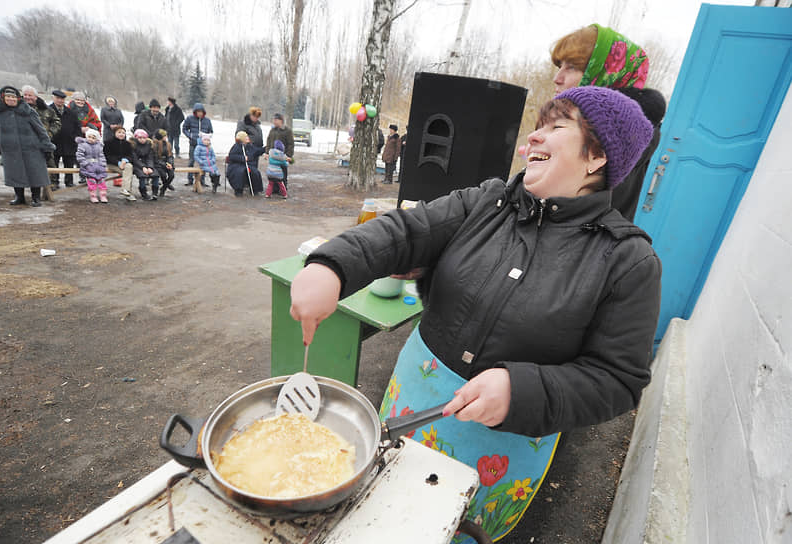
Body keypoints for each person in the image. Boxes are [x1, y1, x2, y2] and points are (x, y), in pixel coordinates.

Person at [289, 86, 660, 543]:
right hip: (413, 399)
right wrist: (332, 265)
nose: (533, 140)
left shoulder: (627, 261)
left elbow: (619, 379)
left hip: (504, 445)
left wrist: (522, 390)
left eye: (555, 127)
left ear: (597, 155)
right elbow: (406, 232)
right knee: (380, 518)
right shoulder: (487, 202)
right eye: (537, 127)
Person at [551, 23, 665, 222]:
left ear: (607, 74)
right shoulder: (579, 122)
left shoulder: (616, 134)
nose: (557, 78)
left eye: (572, 67)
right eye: (560, 66)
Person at [0, 86, 56, 207]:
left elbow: (40, 129)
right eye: (8, 97)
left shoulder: (27, 111)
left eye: (13, 97)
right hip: (10, 147)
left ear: (18, 98)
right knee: (15, 172)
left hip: (31, 147)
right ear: (3, 98)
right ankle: (19, 197)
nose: (11, 99)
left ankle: (36, 197)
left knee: (35, 172)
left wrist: (46, 145)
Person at [49, 90, 81, 189]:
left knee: (69, 163)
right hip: (54, 142)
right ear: (53, 98)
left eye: (62, 99)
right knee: (54, 163)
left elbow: (77, 126)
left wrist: (76, 137)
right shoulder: (48, 110)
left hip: (69, 142)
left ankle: (69, 181)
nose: (60, 101)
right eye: (57, 98)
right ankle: (54, 182)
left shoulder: (70, 112)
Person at [182, 103, 213, 186]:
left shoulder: (207, 121)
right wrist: (190, 136)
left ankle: (202, 180)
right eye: (198, 111)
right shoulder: (189, 119)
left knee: (203, 162)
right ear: (195, 112)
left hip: (204, 145)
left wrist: (207, 139)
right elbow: (184, 128)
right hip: (193, 143)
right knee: (191, 161)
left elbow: (210, 131)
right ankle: (190, 179)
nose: (200, 113)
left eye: (201, 112)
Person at [226, 131, 264, 196]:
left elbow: (256, 151)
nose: (248, 138)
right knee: (239, 172)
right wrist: (243, 158)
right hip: (236, 165)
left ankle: (256, 189)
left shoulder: (250, 146)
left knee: (254, 172)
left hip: (246, 165)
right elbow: (232, 156)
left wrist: (265, 149)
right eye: (246, 137)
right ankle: (238, 190)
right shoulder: (236, 146)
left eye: (247, 136)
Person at [76, 128, 108, 203]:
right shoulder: (82, 145)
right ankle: (93, 195)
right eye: (89, 137)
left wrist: (103, 164)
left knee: (101, 180)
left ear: (96, 139)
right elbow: (80, 156)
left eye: (93, 138)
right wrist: (85, 164)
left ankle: (103, 195)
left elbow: (101, 156)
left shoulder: (99, 146)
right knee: (91, 181)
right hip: (88, 166)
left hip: (98, 166)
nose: (91, 139)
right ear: (86, 137)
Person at [104, 126, 136, 201]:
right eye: (119, 132)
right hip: (112, 164)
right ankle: (128, 192)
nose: (121, 134)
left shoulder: (127, 144)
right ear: (114, 133)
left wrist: (125, 160)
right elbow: (107, 156)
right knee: (128, 172)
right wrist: (118, 163)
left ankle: (126, 190)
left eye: (123, 133)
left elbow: (130, 155)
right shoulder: (108, 143)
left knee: (129, 167)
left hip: (124, 164)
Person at [130, 128, 159, 201]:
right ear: (136, 138)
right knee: (142, 176)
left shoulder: (149, 145)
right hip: (137, 164)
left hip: (147, 163)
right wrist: (142, 167)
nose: (142, 139)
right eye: (140, 138)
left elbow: (150, 157)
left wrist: (150, 167)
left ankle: (155, 193)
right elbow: (134, 159)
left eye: (144, 138)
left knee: (155, 175)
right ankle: (144, 193)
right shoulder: (133, 145)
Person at [266, 113, 293, 187]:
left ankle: (283, 188)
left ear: (281, 120)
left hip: (282, 156)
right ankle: (274, 188)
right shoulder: (272, 130)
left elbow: (291, 144)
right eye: (273, 120)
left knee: (283, 173)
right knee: (273, 172)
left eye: (275, 120)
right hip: (272, 156)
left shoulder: (287, 130)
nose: (274, 121)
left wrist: (289, 155)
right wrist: (267, 152)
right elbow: (268, 141)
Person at [152, 129, 175, 196]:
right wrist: (164, 164)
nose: (166, 137)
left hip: (167, 162)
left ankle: (164, 187)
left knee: (171, 175)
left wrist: (169, 163)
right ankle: (165, 186)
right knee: (163, 175)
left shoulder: (168, 144)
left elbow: (170, 155)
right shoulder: (155, 145)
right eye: (164, 136)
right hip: (158, 164)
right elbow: (155, 158)